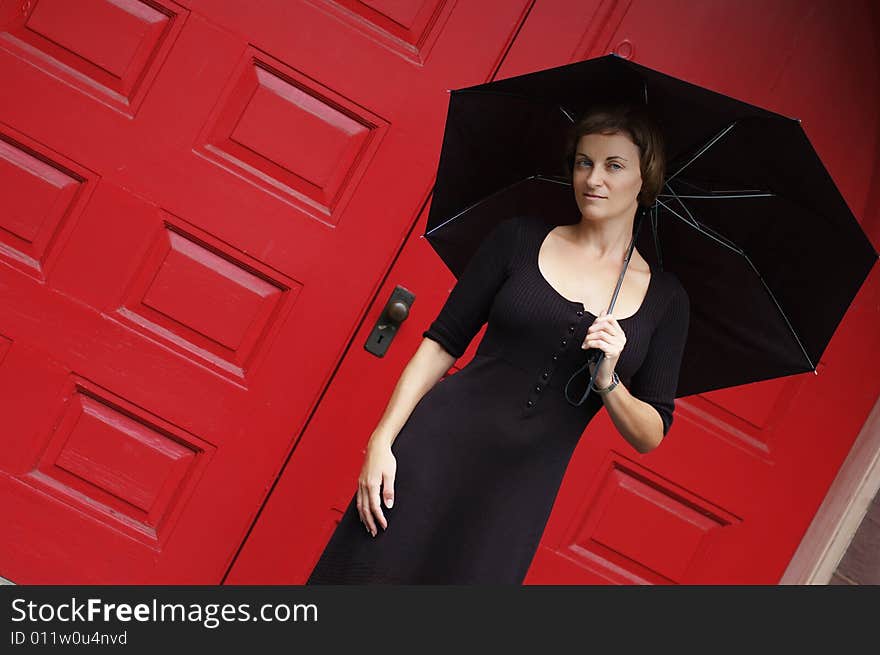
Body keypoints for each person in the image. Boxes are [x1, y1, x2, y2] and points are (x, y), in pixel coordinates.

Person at [306, 103, 690, 584]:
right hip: (434, 448)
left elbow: (650, 434)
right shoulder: (517, 239)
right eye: (583, 162)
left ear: (645, 178)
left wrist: (609, 381)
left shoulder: (666, 300)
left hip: (519, 492)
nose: (594, 178)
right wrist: (382, 440)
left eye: (614, 165)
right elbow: (441, 344)